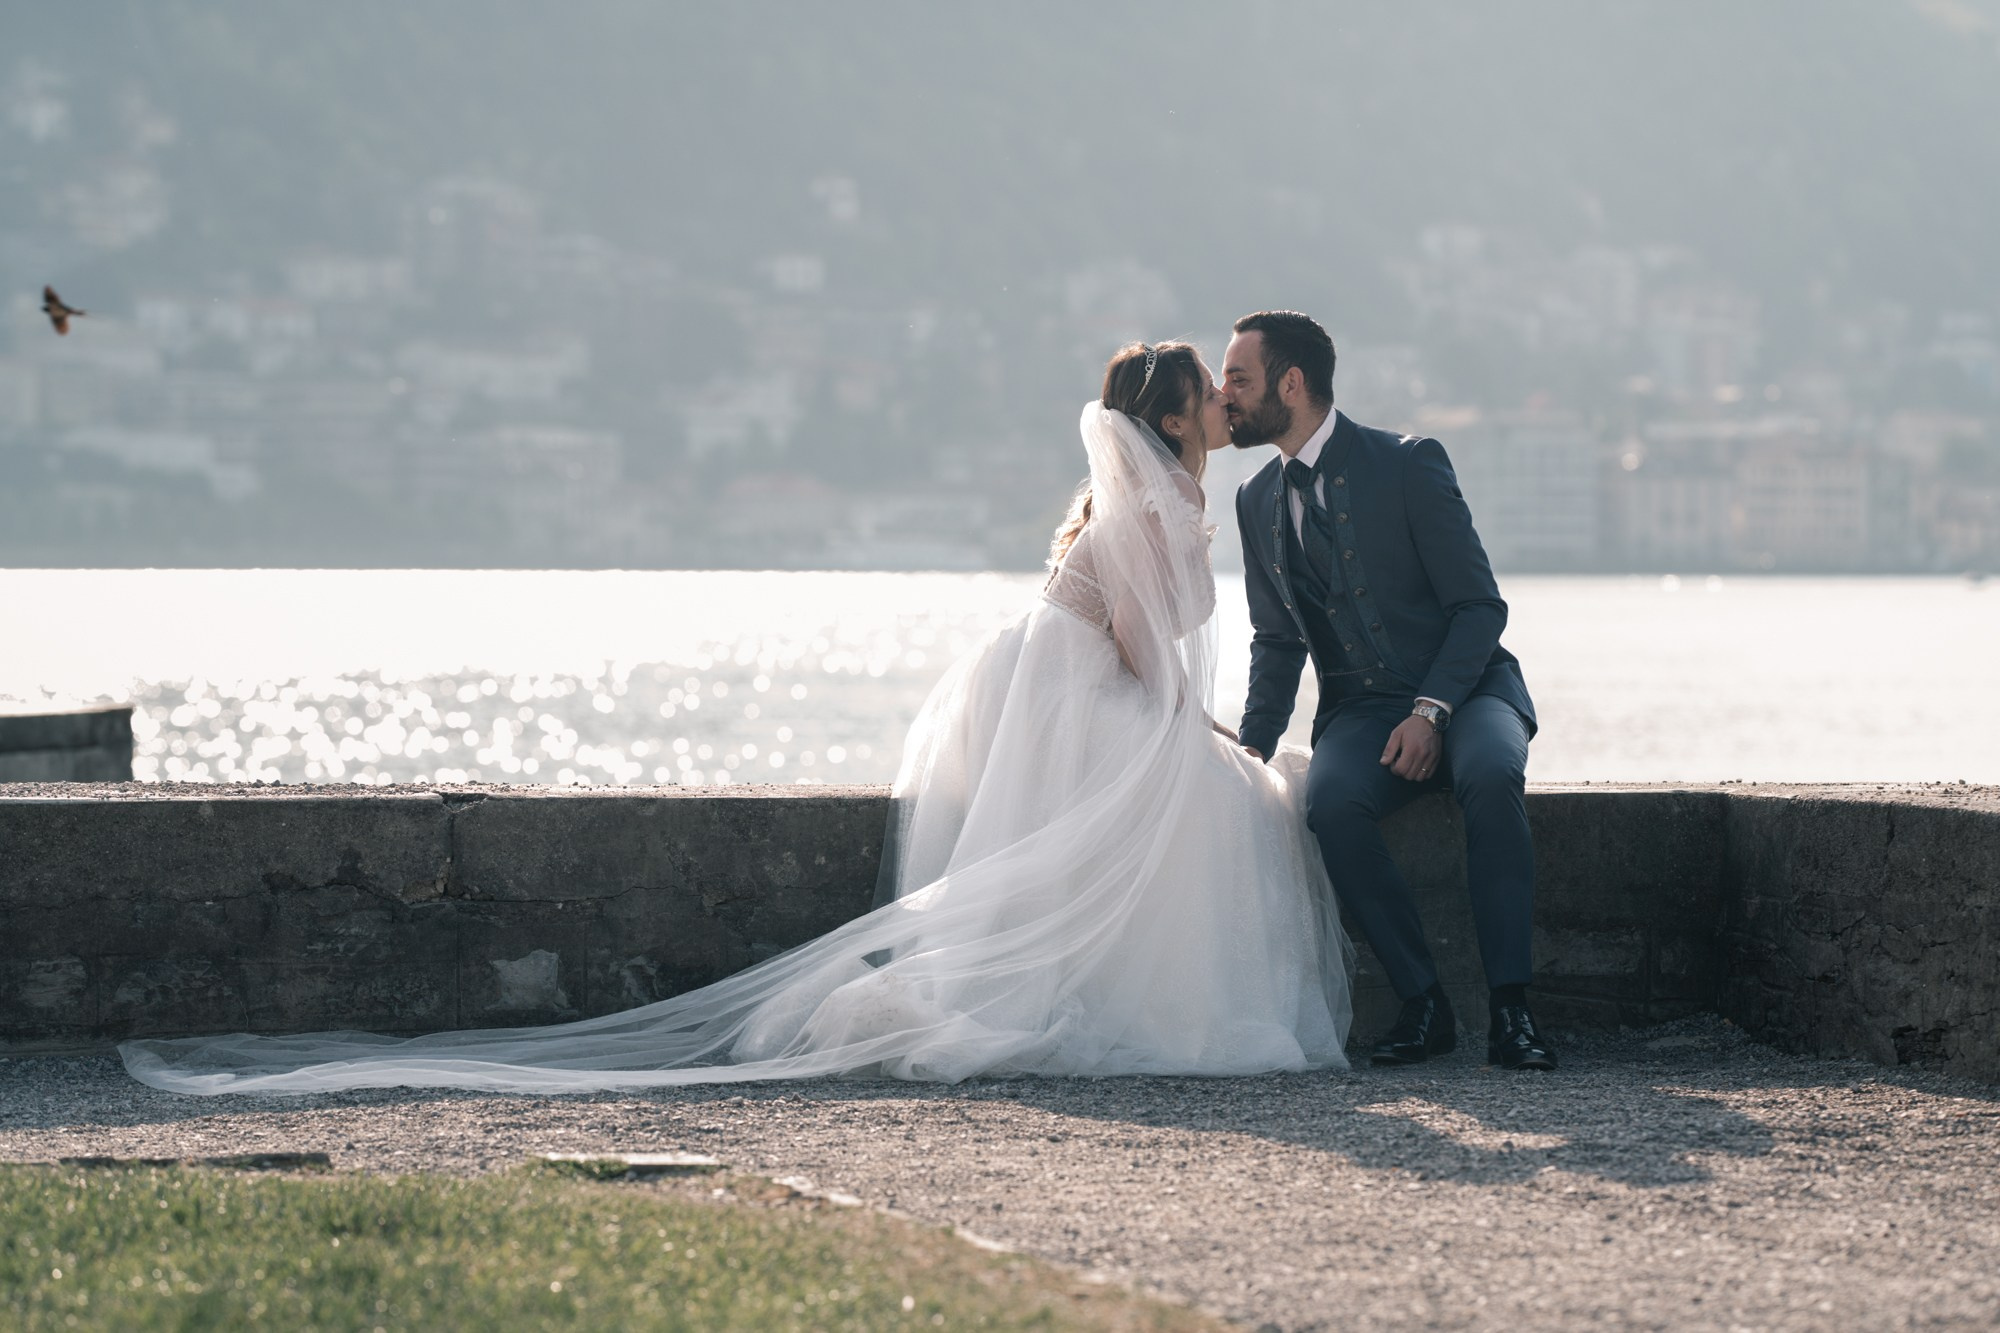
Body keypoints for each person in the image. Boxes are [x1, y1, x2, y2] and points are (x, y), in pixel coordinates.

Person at [121, 341, 1353, 1095]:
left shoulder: (1155, 492)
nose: (1221, 399)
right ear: (1173, 417)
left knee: (1209, 793)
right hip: (1090, 687)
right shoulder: (1153, 505)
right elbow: (1138, 647)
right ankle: (1139, 998)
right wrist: (1191, 729)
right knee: (1217, 799)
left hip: (1066, 681)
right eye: (1208, 389)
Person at [1221, 310, 1556, 1071]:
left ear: (1291, 383)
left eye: (1238, 378)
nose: (1224, 394)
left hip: (1471, 690)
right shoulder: (1252, 499)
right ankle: (1424, 1003)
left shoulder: (1408, 463)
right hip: (1362, 710)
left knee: (1490, 773)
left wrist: (1431, 711)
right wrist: (1251, 748)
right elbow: (1277, 641)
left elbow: (1480, 607)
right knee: (1331, 804)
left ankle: (1514, 1010)